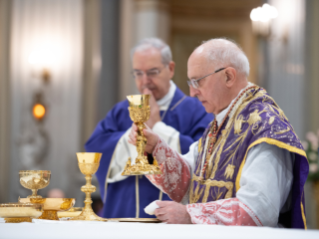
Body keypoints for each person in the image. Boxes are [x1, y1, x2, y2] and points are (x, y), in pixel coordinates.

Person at [129, 38, 309, 228]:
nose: (192, 92)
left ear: (229, 77)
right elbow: (190, 181)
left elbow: (258, 209)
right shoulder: (222, 122)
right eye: (190, 82)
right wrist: (156, 149)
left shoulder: (265, 126)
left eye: (198, 81)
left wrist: (190, 214)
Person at [85, 38, 213, 218]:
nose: (145, 81)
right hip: (123, 216)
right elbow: (95, 147)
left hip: (172, 222)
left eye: (152, 72)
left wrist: (157, 128)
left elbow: (206, 156)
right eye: (138, 73)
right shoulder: (121, 111)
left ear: (170, 69)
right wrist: (132, 137)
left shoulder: (197, 109)